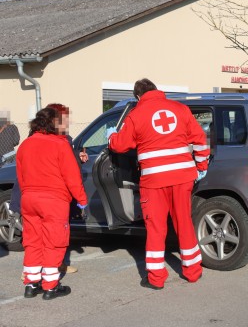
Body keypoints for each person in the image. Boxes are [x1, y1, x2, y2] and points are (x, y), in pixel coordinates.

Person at [108, 79, 210, 289]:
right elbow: (200, 139)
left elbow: (120, 145)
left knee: (156, 228)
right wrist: (200, 166)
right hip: (182, 178)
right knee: (184, 223)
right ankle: (193, 271)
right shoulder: (180, 109)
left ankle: (156, 278)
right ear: (157, 90)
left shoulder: (135, 115)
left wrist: (111, 137)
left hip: (154, 181)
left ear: (137, 96)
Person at [17, 106, 88, 300]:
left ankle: (31, 284)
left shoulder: (26, 144)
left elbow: (21, 175)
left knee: (32, 242)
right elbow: (71, 176)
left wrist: (27, 194)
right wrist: (82, 200)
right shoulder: (60, 144)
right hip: (53, 200)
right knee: (54, 242)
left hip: (29, 199)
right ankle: (51, 286)